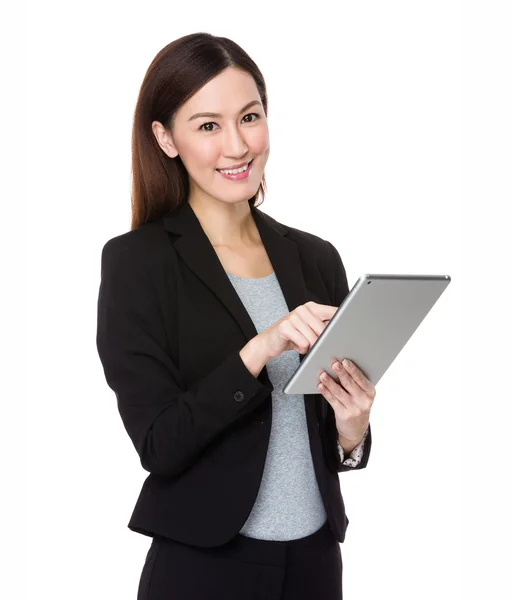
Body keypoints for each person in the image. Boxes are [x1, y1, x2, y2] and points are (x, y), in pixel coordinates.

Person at [96, 32, 376, 600]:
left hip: (315, 563)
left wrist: (353, 430)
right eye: (207, 125)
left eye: (249, 116)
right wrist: (259, 349)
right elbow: (160, 443)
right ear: (165, 138)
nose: (237, 145)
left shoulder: (316, 257)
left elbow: (322, 439)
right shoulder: (138, 264)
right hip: (205, 566)